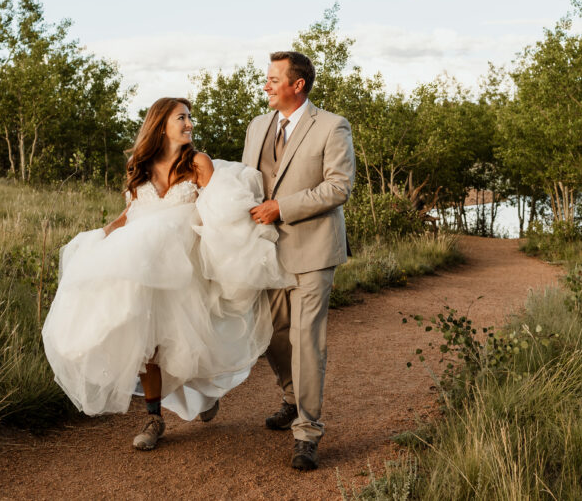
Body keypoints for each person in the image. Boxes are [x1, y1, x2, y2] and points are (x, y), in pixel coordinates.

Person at [42, 97, 294, 451]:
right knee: (148, 341)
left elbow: (219, 207)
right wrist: (101, 237)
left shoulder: (198, 163)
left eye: (190, 117)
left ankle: (204, 396)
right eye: (182, 117)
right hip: (145, 266)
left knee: (192, 339)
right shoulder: (139, 166)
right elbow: (130, 214)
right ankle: (154, 417)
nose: (189, 123)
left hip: (184, 265)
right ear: (161, 124)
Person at [242, 51, 355, 470]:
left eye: (274, 79)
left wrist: (281, 208)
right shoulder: (257, 127)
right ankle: (292, 396)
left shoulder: (331, 126)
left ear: (298, 85)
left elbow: (338, 188)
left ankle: (307, 431)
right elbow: (247, 181)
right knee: (269, 332)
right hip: (265, 251)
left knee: (307, 340)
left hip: (313, 250)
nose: (266, 85)